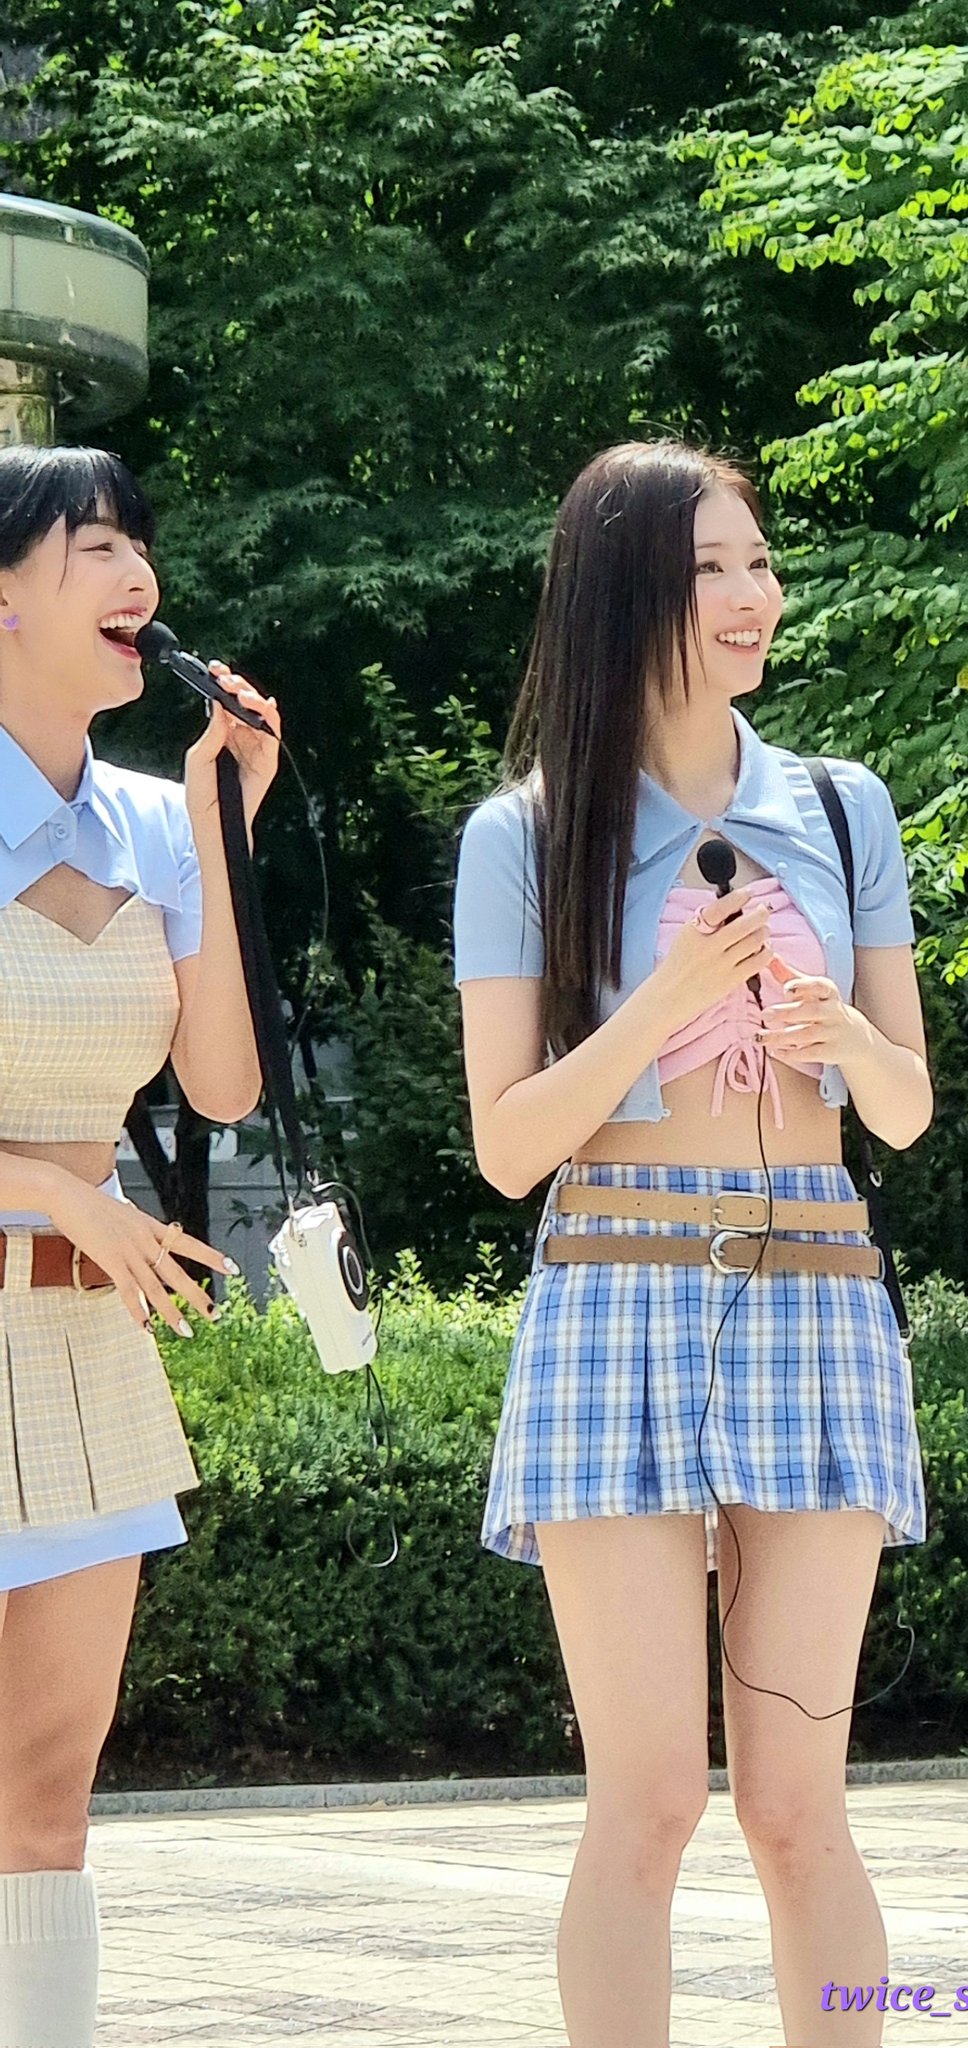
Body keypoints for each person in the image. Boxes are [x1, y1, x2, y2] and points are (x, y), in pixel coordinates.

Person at [453, 440, 933, 2048]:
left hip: (818, 1296)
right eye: (709, 568)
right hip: (613, 1294)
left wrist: (841, 1039)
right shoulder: (526, 836)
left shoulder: (843, 812)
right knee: (649, 1800)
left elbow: (906, 1109)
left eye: (759, 562)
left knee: (798, 1807)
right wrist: (669, 997)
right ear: (621, 596)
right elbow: (509, 1146)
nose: (752, 596)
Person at [0, 445, 280, 2048]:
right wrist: (62, 1198)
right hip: (62, 1260)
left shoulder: (154, 821)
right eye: (92, 546)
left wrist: (221, 821)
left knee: (49, 1803)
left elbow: (224, 1083)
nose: (137, 578)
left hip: (84, 1352)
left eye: (138, 548)